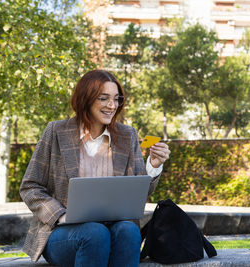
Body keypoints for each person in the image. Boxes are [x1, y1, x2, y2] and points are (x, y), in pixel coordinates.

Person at [19, 69, 170, 267]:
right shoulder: (56, 131)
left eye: (116, 99)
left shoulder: (127, 135)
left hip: (114, 229)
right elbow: (30, 186)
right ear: (86, 99)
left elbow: (137, 193)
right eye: (104, 98)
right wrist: (60, 215)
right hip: (63, 234)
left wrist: (153, 166)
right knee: (94, 233)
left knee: (129, 230)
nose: (111, 105)